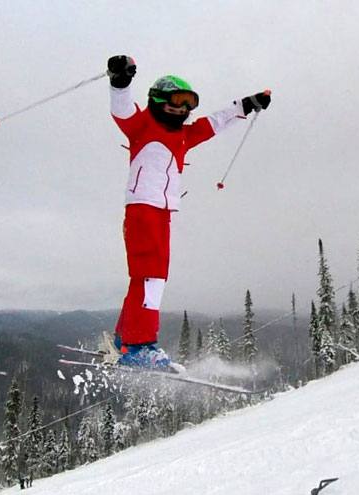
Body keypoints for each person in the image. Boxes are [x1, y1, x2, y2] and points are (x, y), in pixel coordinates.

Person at [105, 54, 271, 369]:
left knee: (147, 276)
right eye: (176, 101)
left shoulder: (182, 135)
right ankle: (139, 345)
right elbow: (122, 109)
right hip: (143, 209)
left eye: (188, 103)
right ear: (157, 99)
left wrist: (247, 104)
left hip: (163, 213)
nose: (182, 108)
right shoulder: (142, 126)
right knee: (151, 277)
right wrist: (120, 80)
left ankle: (124, 338)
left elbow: (214, 123)